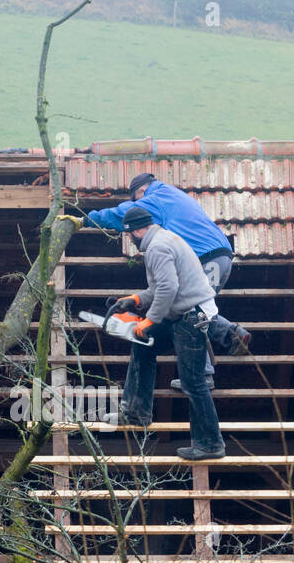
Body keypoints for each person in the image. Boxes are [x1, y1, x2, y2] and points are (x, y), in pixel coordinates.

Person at [87, 173, 251, 391]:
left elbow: (123, 215)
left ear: (141, 191)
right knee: (193, 309)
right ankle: (231, 335)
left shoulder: (157, 198)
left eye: (137, 199)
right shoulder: (174, 195)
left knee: (192, 312)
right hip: (218, 256)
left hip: (206, 258)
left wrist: (87, 219)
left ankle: (203, 375)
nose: (139, 204)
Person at [103, 207, 225, 460]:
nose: (132, 241)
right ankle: (136, 414)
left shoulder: (158, 247)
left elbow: (168, 289)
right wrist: (136, 299)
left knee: (193, 382)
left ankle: (211, 444)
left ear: (137, 230)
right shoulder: (165, 239)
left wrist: (148, 321)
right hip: (185, 313)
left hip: (193, 316)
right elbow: (159, 288)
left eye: (131, 235)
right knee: (143, 345)